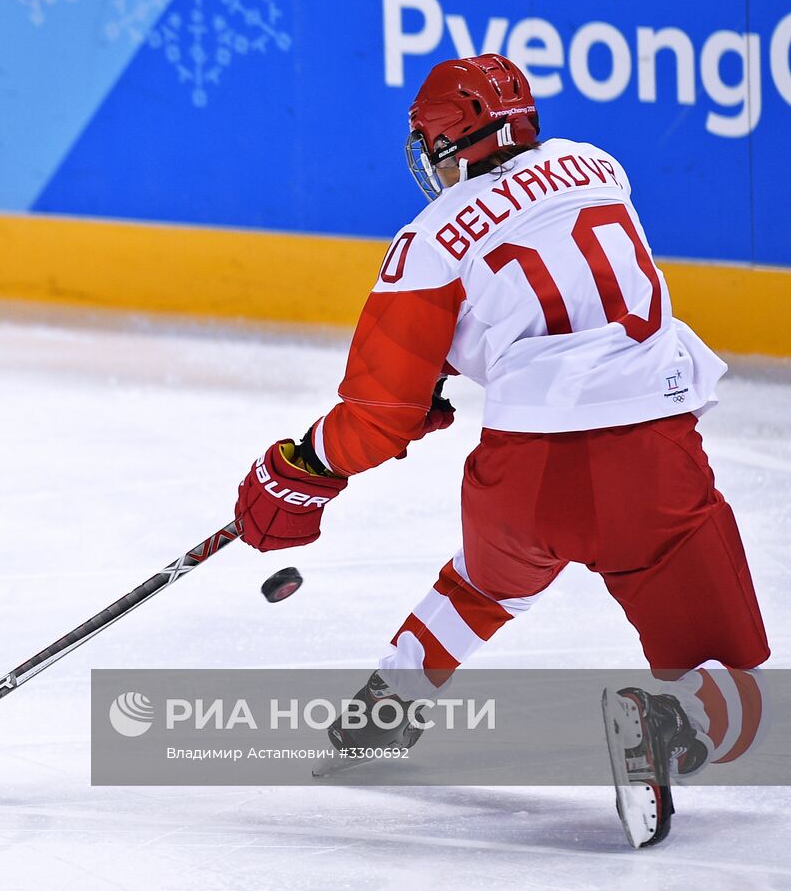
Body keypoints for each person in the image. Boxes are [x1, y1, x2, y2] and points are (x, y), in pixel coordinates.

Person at [232, 54, 769, 848]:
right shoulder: (598, 166)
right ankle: (664, 724)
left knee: (484, 584)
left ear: (446, 145)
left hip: (525, 480)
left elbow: (379, 414)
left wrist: (303, 465)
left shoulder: (426, 241)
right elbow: (564, 284)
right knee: (744, 698)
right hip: (654, 464)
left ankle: (384, 712)